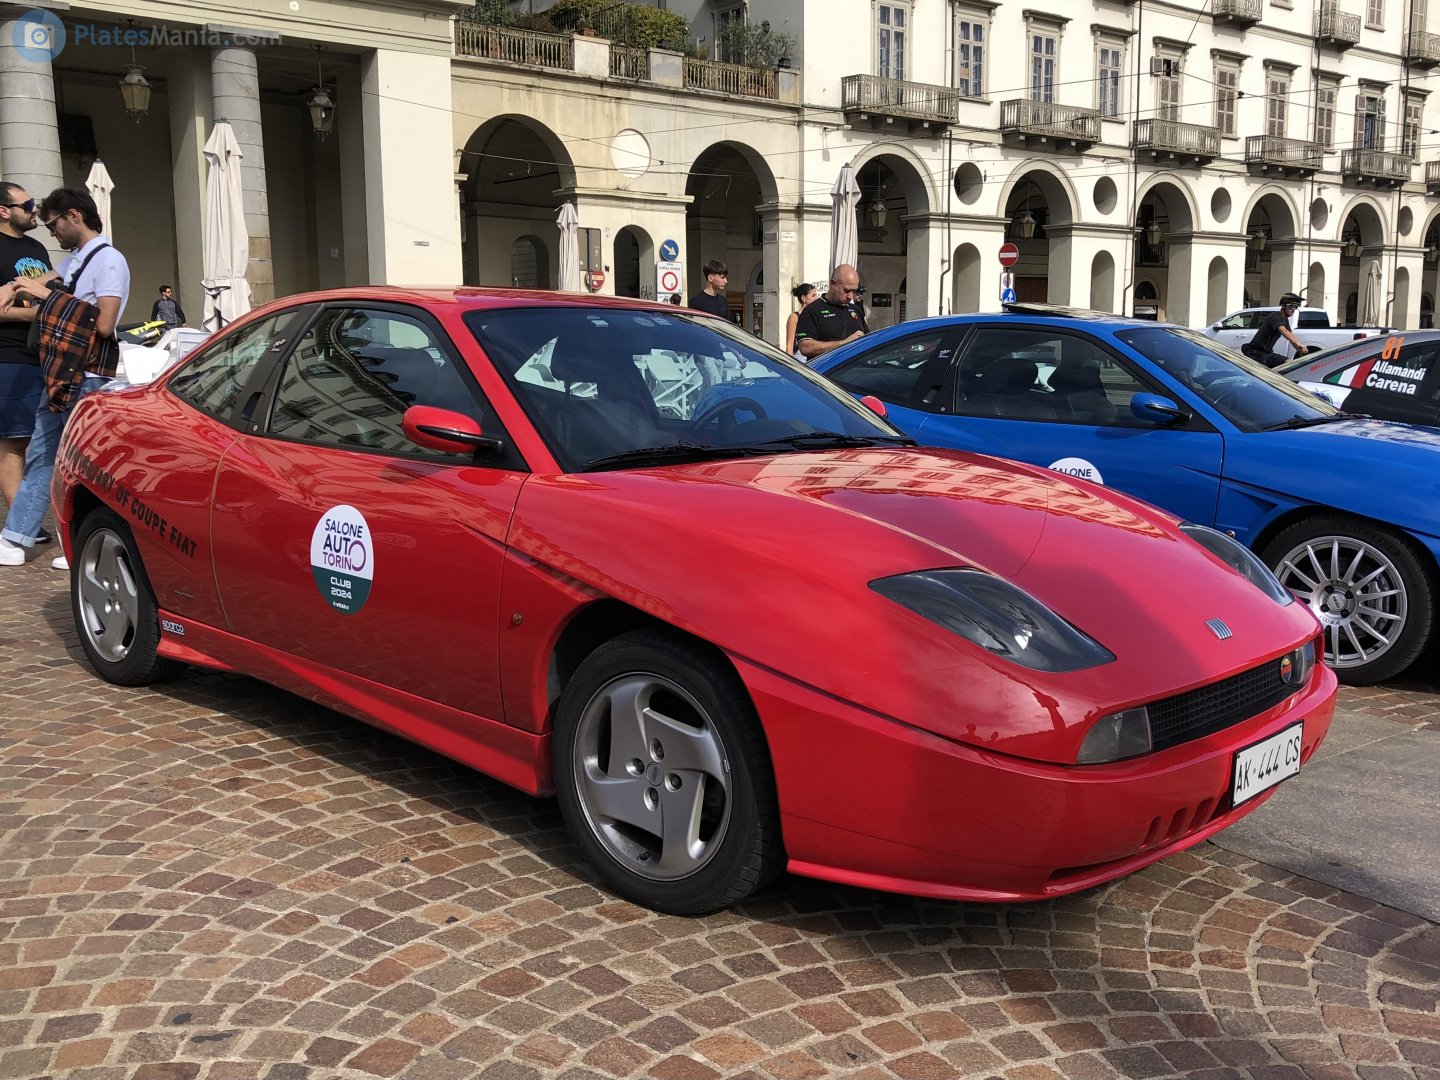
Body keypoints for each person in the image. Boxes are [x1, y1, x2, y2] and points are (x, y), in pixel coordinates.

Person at [0, 187, 129, 570]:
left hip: (86, 375)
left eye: (54, 223)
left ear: (74, 216)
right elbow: (45, 286)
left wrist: (44, 294)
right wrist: (16, 287)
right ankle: (15, 538)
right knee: (43, 456)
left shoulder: (108, 261)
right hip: (60, 372)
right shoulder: (77, 260)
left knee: (82, 464)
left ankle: (82, 544)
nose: (49, 230)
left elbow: (104, 323)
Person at [0, 182, 52, 527]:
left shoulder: (36, 246)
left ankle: (27, 521)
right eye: (27, 204)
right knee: (13, 441)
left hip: (43, 355)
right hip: (8, 355)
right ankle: (21, 526)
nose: (34, 209)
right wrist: (38, 313)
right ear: (4, 210)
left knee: (41, 441)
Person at [794, 264, 868, 361]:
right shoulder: (813, 310)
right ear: (833, 283)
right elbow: (805, 347)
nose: (850, 296)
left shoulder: (855, 310)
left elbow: (869, 338)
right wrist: (843, 344)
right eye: (846, 290)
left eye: (854, 291)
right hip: (826, 373)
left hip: (857, 371)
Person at [1242, 292, 1314, 368]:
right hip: (1256, 352)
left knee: (1289, 363)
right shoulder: (1275, 317)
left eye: (1295, 307)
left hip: (1267, 353)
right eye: (1291, 306)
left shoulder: (1285, 321)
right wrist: (1299, 345)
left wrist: (1301, 350)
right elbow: (1283, 331)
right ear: (1283, 306)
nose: (1293, 309)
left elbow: (1291, 336)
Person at [784, 282, 818, 357]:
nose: (816, 298)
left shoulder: (816, 315)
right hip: (799, 358)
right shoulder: (795, 317)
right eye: (813, 296)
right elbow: (789, 346)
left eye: (816, 295)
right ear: (803, 298)